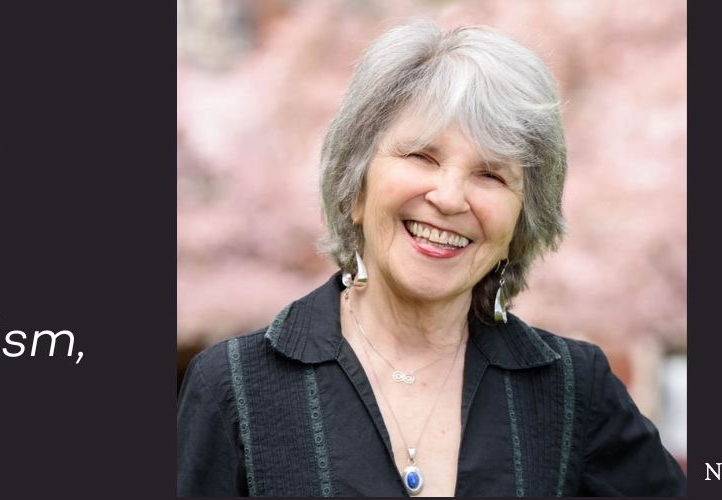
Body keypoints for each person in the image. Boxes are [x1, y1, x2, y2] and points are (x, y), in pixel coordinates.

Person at [176, 21, 685, 497]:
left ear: (518, 226)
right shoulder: (234, 387)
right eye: (422, 155)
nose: (449, 197)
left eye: (491, 175)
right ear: (356, 187)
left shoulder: (575, 390)